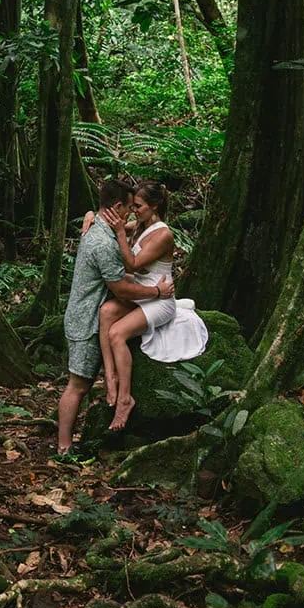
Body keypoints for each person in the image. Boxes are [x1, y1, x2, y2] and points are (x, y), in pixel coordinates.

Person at [56, 178, 172, 456]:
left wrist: (90, 216)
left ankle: (114, 388)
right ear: (117, 207)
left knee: (81, 382)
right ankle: (63, 448)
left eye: (138, 207)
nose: (132, 213)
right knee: (78, 385)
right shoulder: (105, 242)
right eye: (129, 207)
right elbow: (121, 287)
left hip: (93, 313)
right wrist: (156, 291)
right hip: (85, 320)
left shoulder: (104, 227)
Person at [90, 181, 176, 431]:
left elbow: (134, 264)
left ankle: (125, 400)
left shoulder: (163, 234)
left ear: (154, 206)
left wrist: (119, 234)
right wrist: (89, 216)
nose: (133, 210)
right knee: (106, 312)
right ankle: (110, 376)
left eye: (137, 206)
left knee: (117, 333)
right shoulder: (141, 225)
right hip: (143, 293)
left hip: (159, 300)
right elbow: (109, 223)